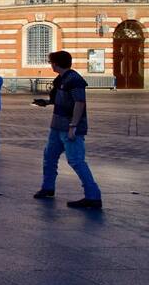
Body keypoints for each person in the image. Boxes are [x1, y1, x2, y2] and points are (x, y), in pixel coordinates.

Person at [33, 51, 102, 209]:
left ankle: (93, 196)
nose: (50, 64)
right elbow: (60, 99)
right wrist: (46, 102)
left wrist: (73, 126)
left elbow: (79, 103)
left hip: (69, 127)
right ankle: (48, 187)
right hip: (56, 126)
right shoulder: (61, 79)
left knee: (76, 161)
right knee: (49, 157)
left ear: (56, 63)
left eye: (51, 62)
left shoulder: (74, 80)